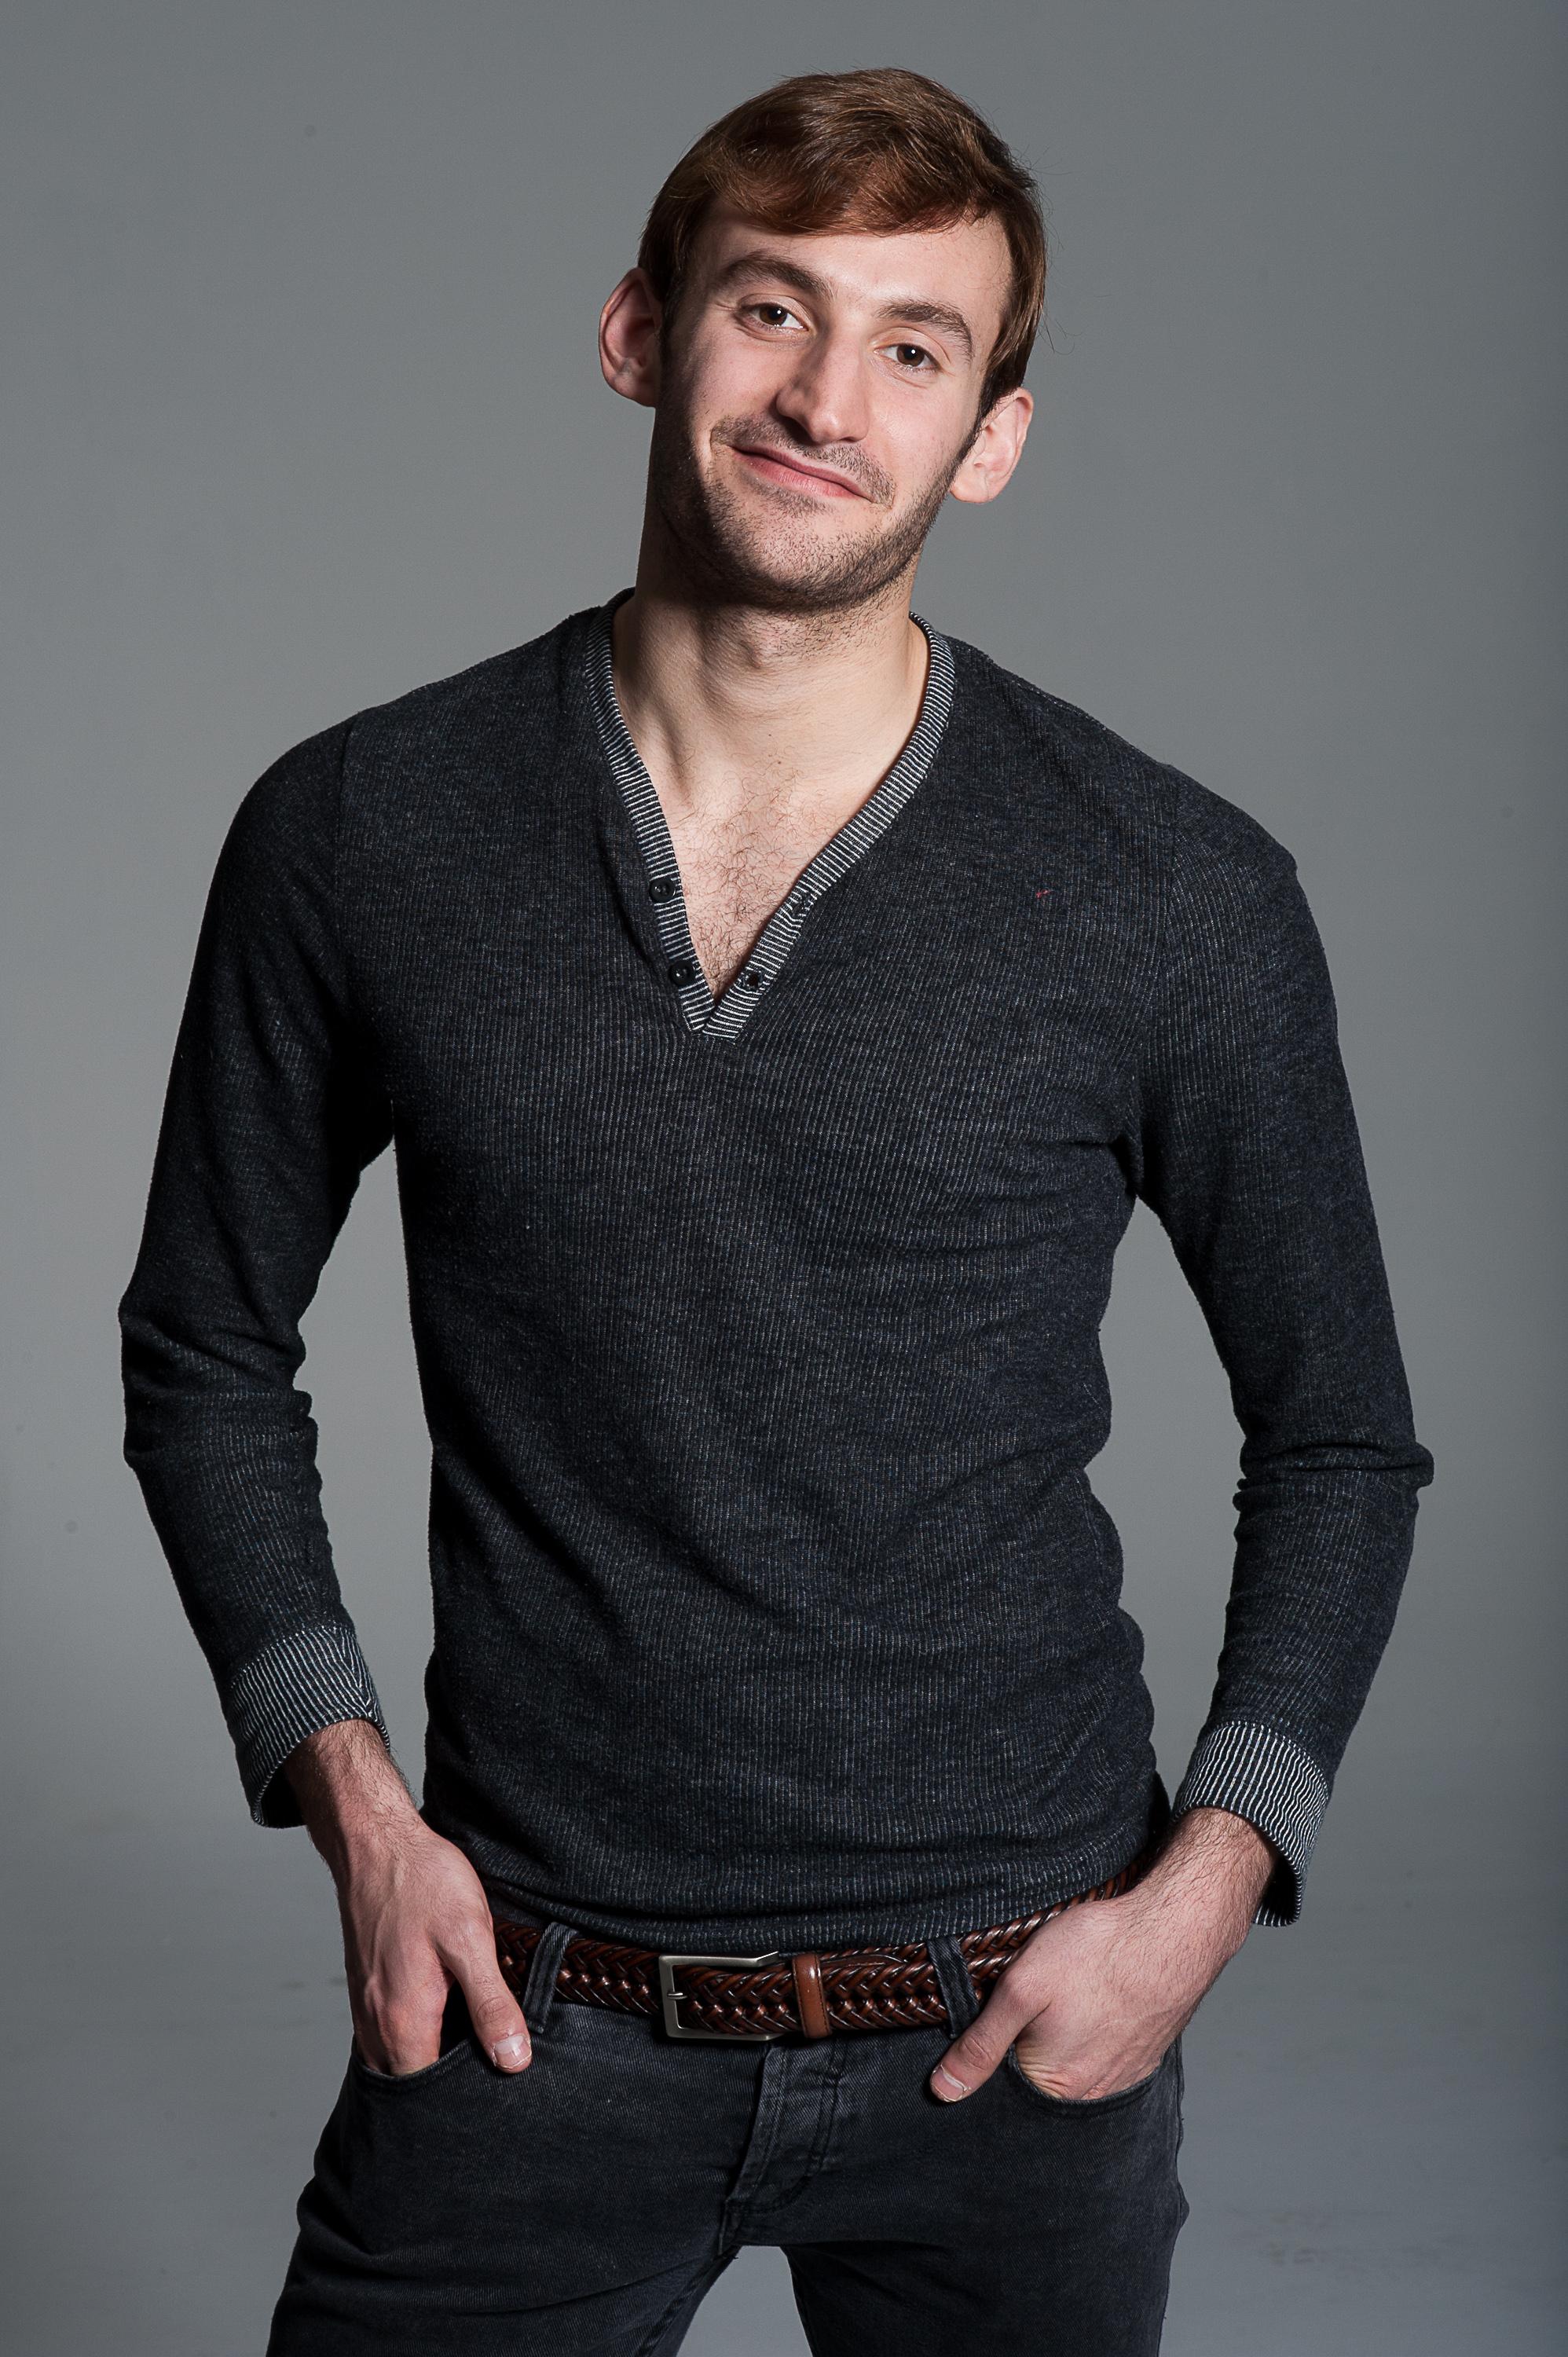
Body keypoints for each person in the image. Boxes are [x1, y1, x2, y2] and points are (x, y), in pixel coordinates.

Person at [117, 64, 1434, 2357]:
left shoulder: (1174, 892)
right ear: (642, 331)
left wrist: (1204, 1893)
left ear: (991, 433)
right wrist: (353, 1809)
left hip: (1018, 2016)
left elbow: (1337, 1437)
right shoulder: (358, 832)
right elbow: (206, 1350)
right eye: (772, 311)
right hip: (524, 2010)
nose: (830, 397)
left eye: (915, 347)